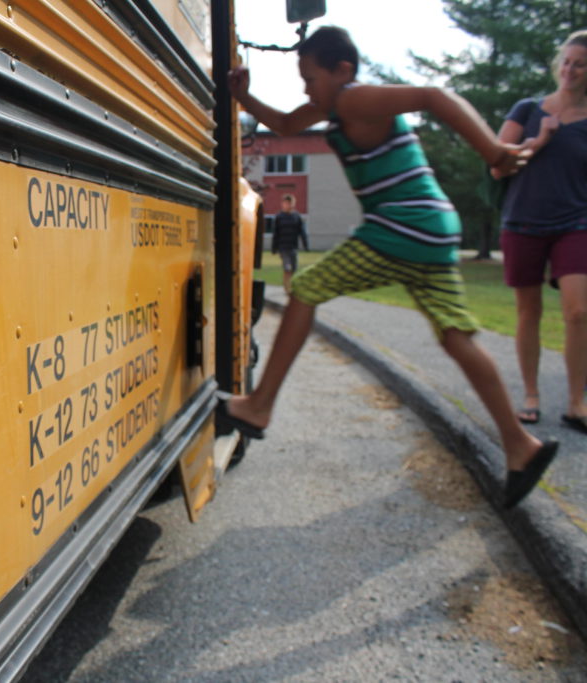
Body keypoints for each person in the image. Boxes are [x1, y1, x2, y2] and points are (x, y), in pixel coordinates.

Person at [224, 26, 558, 509]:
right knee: (454, 335)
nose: (306, 89)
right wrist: (245, 98)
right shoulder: (334, 104)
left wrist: (491, 151)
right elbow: (289, 123)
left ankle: (259, 407)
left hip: (401, 225)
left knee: (308, 287)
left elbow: (433, 95)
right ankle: (520, 448)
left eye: (311, 78)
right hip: (433, 226)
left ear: (344, 71)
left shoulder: (356, 100)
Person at [493, 30, 587, 435]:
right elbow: (498, 164)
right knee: (528, 310)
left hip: (576, 222)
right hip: (523, 222)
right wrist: (539, 141)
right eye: (566, 61)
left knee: (579, 312)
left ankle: (576, 402)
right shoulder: (528, 108)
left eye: (580, 63)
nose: (570, 69)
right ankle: (531, 396)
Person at [271, 193, 309, 293]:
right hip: (283, 247)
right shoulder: (279, 217)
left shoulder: (297, 216)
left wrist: (305, 245)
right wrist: (274, 248)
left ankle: (291, 287)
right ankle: (287, 289)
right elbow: (276, 233)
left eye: (289, 203)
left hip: (293, 247)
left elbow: (302, 232)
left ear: (293, 204)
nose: (287, 205)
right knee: (287, 268)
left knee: (293, 269)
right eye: (285, 203)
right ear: (283, 204)